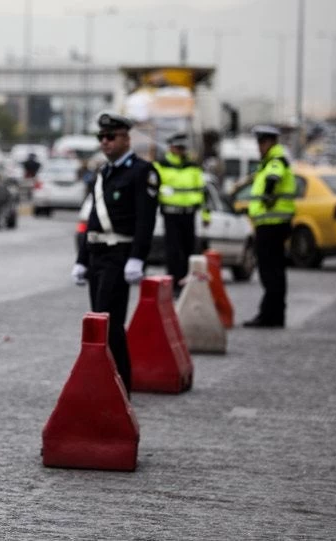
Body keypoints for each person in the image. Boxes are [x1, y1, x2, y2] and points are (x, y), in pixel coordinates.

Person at [71, 113, 159, 393]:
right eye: (101, 138)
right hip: (97, 254)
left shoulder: (142, 171)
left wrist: (137, 258)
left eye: (111, 137)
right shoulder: (104, 173)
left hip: (119, 255)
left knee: (110, 324)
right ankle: (105, 381)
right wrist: (82, 259)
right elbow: (94, 219)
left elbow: (146, 220)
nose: (105, 142)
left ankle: (121, 385)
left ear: (126, 139)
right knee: (100, 319)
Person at [243, 125, 296, 328]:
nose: (259, 147)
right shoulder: (271, 161)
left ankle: (269, 316)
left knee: (269, 271)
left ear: (269, 142)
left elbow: (274, 177)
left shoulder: (275, 160)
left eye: (261, 143)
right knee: (276, 271)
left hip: (271, 224)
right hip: (274, 224)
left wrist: (267, 195)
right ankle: (275, 314)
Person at [153, 133, 209, 297]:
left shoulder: (193, 167)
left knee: (188, 251)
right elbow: (153, 191)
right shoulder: (161, 166)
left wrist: (206, 215)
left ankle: (186, 284)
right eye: (178, 147)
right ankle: (174, 285)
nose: (181, 151)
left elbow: (202, 192)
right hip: (171, 214)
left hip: (189, 214)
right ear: (170, 147)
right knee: (173, 252)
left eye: (183, 148)